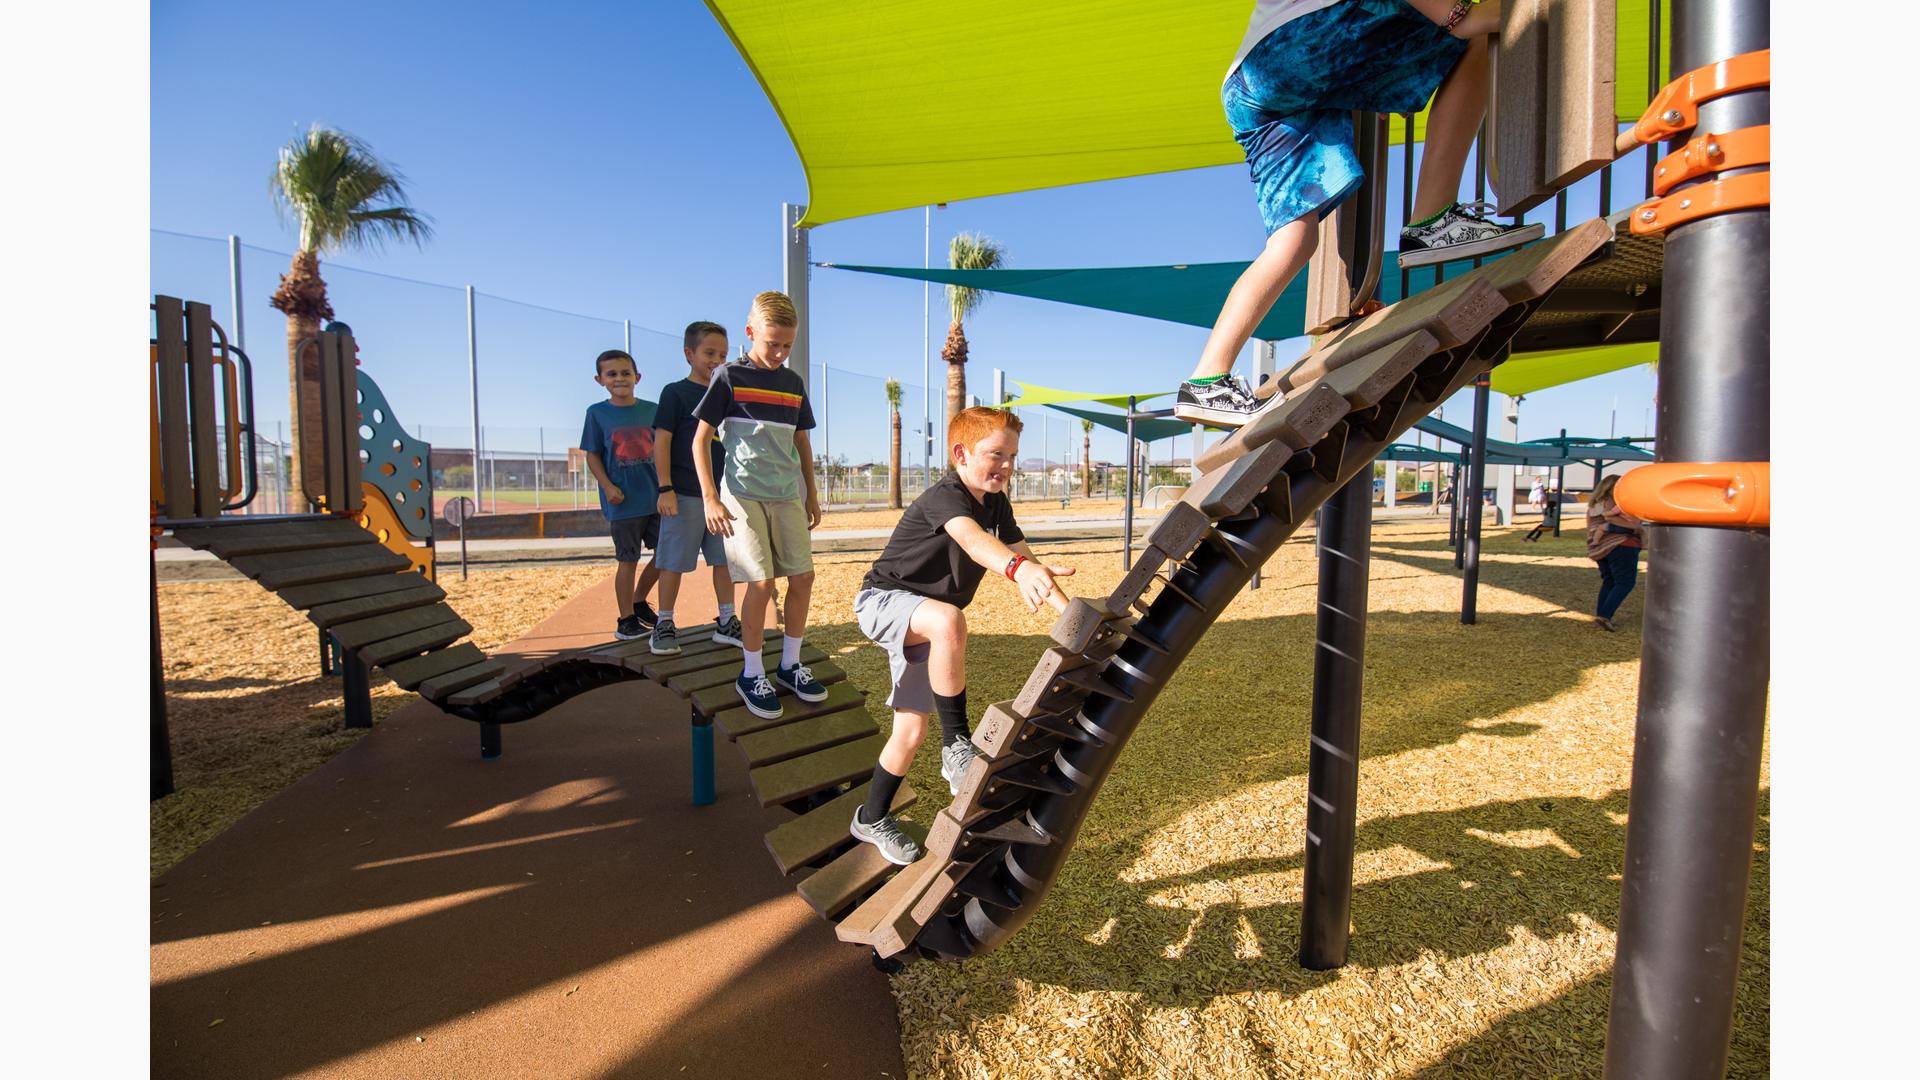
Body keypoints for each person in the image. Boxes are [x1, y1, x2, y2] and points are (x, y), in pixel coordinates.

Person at [1173, 0, 1542, 426]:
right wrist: (1458, 17)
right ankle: (1433, 218)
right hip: (1295, 47)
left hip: (1253, 85)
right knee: (1478, 34)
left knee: (1294, 241)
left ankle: (1207, 380)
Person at [846, 406, 1075, 865]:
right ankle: (957, 745)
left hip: (923, 619)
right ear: (961, 454)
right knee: (949, 619)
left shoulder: (997, 503)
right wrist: (1017, 568)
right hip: (884, 601)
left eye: (1012, 455)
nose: (1006, 465)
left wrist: (1071, 619)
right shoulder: (946, 495)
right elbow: (973, 542)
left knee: (910, 732)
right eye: (996, 454)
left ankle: (870, 818)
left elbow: (1025, 559)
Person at [690, 292, 823, 720]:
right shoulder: (728, 377)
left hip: (787, 496)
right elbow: (699, 440)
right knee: (761, 584)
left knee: (802, 577)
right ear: (751, 334)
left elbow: (802, 441)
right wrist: (710, 497)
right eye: (773, 344)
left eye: (788, 345)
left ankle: (789, 665)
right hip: (743, 495)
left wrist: (812, 493)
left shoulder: (793, 383)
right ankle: (751, 673)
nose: (781, 353)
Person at [646, 321, 744, 655]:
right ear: (689, 354)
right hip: (684, 494)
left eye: (723, 354)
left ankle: (727, 620)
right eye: (709, 353)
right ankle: (665, 622)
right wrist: (665, 487)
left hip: (722, 498)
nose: (717, 359)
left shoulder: (728, 393)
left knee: (724, 561)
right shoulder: (675, 393)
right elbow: (662, 441)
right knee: (673, 561)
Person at [580, 349, 662, 640]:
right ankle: (625, 619)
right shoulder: (597, 413)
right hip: (623, 503)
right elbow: (592, 456)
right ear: (600, 379)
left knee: (667, 555)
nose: (619, 378)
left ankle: (639, 601)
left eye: (625, 373)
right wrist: (608, 486)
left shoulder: (653, 410)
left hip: (655, 499)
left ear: (637, 377)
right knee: (628, 560)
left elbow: (664, 450)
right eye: (611, 374)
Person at [1585, 474, 1644, 631]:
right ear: (1612, 488)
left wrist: (1593, 544)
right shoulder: (1615, 503)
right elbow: (1612, 519)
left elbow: (1590, 526)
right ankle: (1605, 615)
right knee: (1625, 582)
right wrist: (1638, 528)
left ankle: (1601, 614)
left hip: (1600, 547)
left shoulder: (1593, 504)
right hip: (1621, 543)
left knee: (1609, 580)